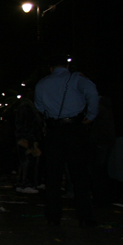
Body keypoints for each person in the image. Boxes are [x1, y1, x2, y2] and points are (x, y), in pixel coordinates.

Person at [34, 51, 99, 227]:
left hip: (54, 130)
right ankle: (86, 216)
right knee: (79, 174)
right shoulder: (77, 79)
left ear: (51, 68)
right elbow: (93, 94)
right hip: (75, 128)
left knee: (53, 175)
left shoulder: (42, 83)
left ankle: (53, 216)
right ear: (67, 65)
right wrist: (91, 115)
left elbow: (39, 105)